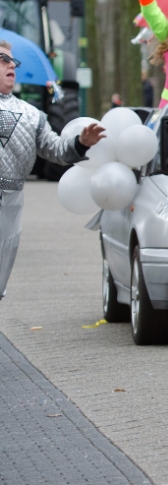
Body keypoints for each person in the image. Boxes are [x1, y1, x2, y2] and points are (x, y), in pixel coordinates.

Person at [0, 41, 106, 299]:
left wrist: (80, 144)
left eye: (13, 61)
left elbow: (56, 150)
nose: (11, 65)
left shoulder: (31, 115)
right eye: (3, 59)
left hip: (10, 205)